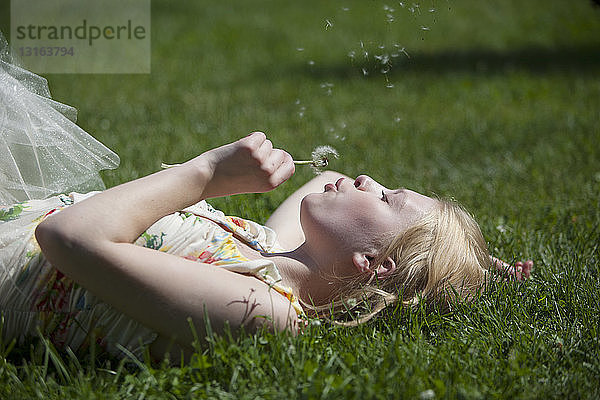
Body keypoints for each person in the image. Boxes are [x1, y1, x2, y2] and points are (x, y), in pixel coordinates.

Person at [0, 33, 531, 363]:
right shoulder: (267, 252)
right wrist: (471, 261)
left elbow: (67, 236)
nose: (369, 179)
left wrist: (205, 173)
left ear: (372, 264)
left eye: (388, 198)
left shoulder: (263, 313)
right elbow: (337, 175)